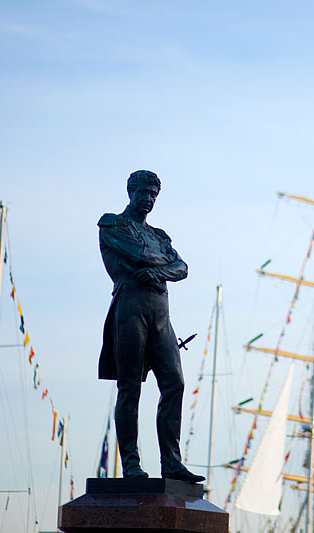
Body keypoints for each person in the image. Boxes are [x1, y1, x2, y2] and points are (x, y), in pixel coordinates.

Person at [97, 169, 204, 483]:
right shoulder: (112, 224)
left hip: (161, 314)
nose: (147, 199)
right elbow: (139, 255)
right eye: (142, 193)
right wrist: (163, 264)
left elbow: (182, 268)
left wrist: (159, 271)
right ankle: (131, 463)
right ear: (130, 192)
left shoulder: (159, 235)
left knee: (175, 383)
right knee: (130, 387)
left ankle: (171, 462)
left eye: (153, 195)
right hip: (130, 308)